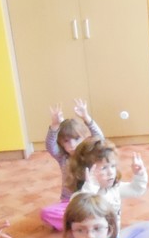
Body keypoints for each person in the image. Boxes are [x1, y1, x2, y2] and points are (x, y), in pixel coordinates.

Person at [68, 137, 149, 238]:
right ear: (85, 172)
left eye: (113, 166)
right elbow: (84, 209)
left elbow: (136, 190)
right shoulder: (80, 196)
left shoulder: (113, 188)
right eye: (104, 168)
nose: (110, 172)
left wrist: (139, 174)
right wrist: (91, 187)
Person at [40, 99, 104, 231]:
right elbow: (50, 145)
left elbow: (100, 139)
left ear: (84, 138)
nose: (72, 145)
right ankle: (81, 221)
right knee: (45, 213)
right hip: (69, 202)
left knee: (101, 206)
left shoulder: (89, 153)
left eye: (76, 139)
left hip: (88, 199)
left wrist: (86, 117)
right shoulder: (62, 157)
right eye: (66, 141)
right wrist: (55, 125)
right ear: (61, 143)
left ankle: (77, 222)